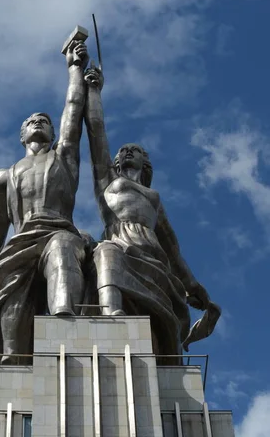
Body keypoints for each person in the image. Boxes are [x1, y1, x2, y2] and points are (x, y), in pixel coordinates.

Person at [0, 38, 90, 364]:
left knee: (64, 248)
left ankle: (65, 321)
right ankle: (12, 357)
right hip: (20, 241)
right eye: (31, 121)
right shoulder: (4, 177)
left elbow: (73, 108)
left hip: (59, 231)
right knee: (11, 287)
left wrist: (74, 68)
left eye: (45, 120)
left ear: (54, 133)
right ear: (22, 135)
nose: (39, 121)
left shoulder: (65, 158)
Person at [84, 66, 212, 362]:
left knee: (158, 321)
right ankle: (109, 316)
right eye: (123, 150)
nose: (127, 152)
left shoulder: (154, 199)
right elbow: (96, 134)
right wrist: (94, 92)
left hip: (153, 256)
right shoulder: (108, 183)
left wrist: (193, 285)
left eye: (135, 150)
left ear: (145, 161)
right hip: (119, 241)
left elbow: (173, 249)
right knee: (106, 252)